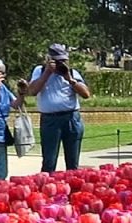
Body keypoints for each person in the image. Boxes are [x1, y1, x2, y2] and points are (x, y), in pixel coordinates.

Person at [26, 43, 91, 173]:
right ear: (48, 59)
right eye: (57, 61)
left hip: (71, 118)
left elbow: (86, 94)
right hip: (50, 120)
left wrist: (70, 79)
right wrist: (47, 73)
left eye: (63, 60)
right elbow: (32, 91)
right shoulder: (39, 71)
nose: (61, 64)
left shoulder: (72, 72)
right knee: (49, 161)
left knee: (73, 162)